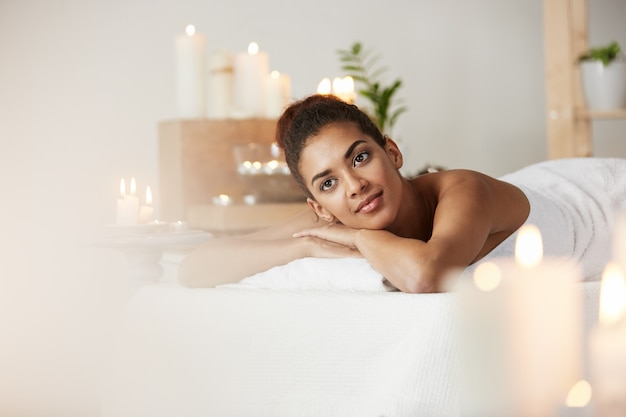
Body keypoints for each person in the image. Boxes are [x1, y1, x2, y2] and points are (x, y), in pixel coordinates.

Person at [178, 94, 531, 292]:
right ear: (318, 206)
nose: (354, 185)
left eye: (360, 157)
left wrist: (358, 238)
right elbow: (193, 269)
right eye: (328, 182)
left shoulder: (463, 190)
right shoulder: (330, 217)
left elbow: (426, 276)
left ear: (392, 152)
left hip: (573, 191)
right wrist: (306, 245)